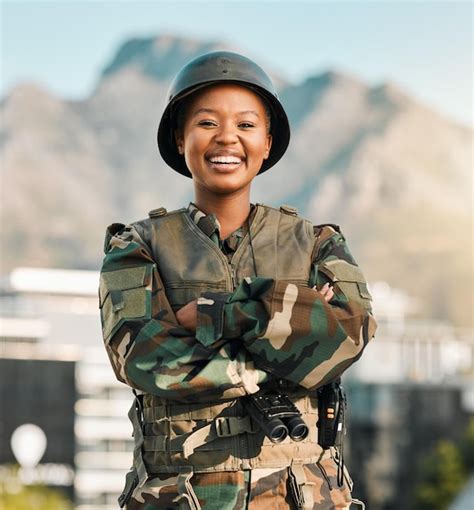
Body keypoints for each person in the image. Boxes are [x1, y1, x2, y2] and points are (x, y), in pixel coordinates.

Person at [99, 51, 377, 510]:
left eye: (246, 125)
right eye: (207, 123)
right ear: (180, 138)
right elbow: (144, 360)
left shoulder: (315, 243)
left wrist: (221, 314)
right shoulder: (136, 246)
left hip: (303, 496)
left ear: (267, 142)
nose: (227, 137)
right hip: (179, 495)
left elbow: (350, 337)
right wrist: (292, 341)